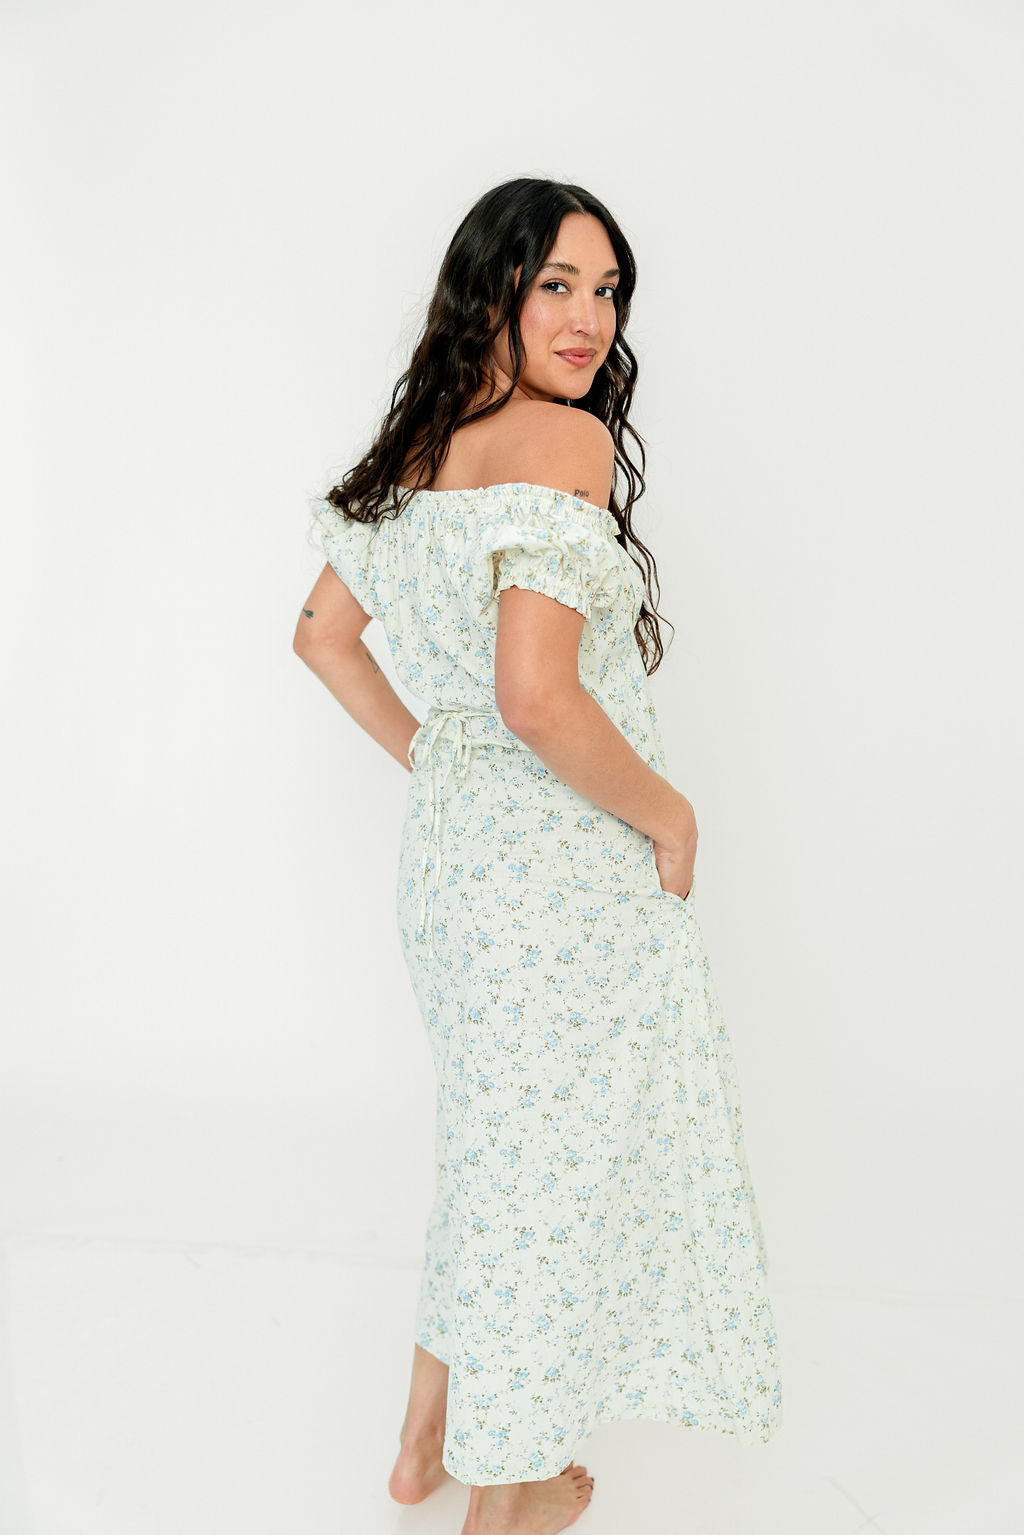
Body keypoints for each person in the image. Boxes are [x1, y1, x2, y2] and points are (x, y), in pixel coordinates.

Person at [294, 177, 783, 1535]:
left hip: (453, 871)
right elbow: (536, 697)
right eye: (555, 284)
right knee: (547, 1184)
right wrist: (669, 814)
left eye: (606, 289)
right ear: (493, 289)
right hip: (558, 875)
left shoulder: (417, 449)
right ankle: (502, 1509)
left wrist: (431, 756)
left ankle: (423, 1442)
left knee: (495, 1153)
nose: (587, 318)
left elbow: (322, 635)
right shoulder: (562, 441)